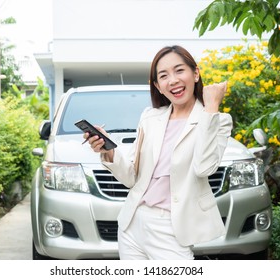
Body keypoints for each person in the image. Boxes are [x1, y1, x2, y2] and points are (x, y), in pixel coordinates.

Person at [84, 45, 233, 260]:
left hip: (171, 227)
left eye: (179, 70)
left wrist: (211, 109)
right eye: (163, 76)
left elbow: (204, 168)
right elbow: (131, 177)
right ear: (158, 86)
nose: (172, 80)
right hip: (132, 223)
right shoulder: (150, 117)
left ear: (196, 73)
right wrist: (108, 150)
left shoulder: (217, 121)